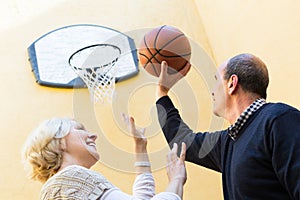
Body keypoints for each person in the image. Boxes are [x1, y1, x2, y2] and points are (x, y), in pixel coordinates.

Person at [155, 53, 300, 199]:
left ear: (232, 83)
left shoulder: (279, 119)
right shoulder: (227, 142)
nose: (212, 91)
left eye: (217, 80)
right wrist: (162, 93)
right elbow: (182, 140)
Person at [22, 114, 187, 200]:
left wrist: (140, 147)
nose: (93, 135)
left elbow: (141, 198)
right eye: (80, 129)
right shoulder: (73, 176)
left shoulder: (61, 186)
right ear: (60, 142)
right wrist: (176, 180)